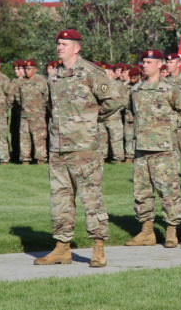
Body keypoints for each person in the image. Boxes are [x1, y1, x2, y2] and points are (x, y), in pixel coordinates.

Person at [35, 29, 121, 268]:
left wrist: (91, 120)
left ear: (77, 47)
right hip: (59, 147)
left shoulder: (91, 72)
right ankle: (62, 247)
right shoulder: (54, 76)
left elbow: (114, 100)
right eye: (58, 43)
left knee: (90, 197)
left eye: (65, 43)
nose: (59, 47)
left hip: (84, 148)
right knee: (60, 199)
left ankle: (98, 247)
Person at [125, 50, 181, 248]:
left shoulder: (170, 88)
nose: (145, 65)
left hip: (163, 148)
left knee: (168, 191)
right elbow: (131, 113)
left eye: (149, 62)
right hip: (142, 148)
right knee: (141, 192)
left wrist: (169, 126)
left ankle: (171, 230)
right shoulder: (136, 90)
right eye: (143, 61)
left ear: (160, 64)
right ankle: (147, 231)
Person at [17, 59, 48, 164]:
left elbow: (47, 97)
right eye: (25, 69)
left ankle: (41, 159)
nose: (26, 71)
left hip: (37, 115)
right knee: (24, 138)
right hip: (25, 115)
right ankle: (25, 159)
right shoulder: (21, 81)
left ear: (35, 69)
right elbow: (18, 97)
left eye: (29, 69)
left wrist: (40, 108)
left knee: (39, 138)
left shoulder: (41, 81)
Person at [100, 63, 128, 163]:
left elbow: (124, 100)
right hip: (102, 116)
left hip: (114, 116)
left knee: (116, 138)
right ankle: (102, 157)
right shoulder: (101, 85)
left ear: (112, 72)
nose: (105, 74)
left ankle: (118, 158)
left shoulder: (119, 85)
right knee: (102, 138)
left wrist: (116, 108)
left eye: (107, 72)